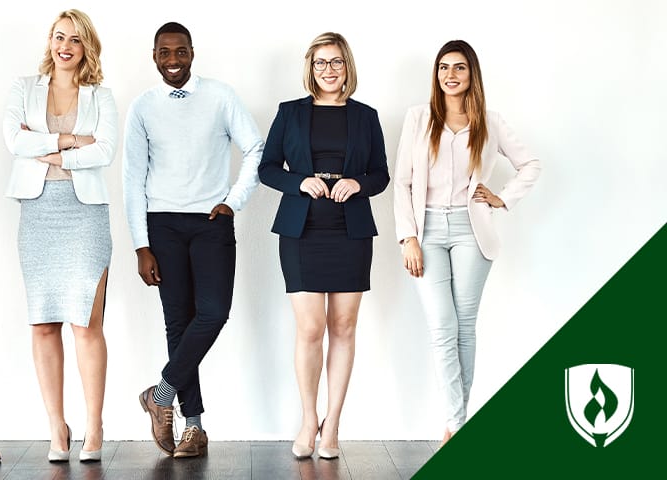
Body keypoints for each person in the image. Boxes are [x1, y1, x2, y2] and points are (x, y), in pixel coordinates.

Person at [122, 21, 264, 459]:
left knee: (214, 313)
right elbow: (132, 176)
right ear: (154, 56)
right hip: (162, 224)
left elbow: (255, 147)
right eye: (164, 53)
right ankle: (195, 428)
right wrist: (140, 244)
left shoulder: (220, 96)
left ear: (192, 53)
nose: (172, 61)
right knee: (178, 324)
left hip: (210, 220)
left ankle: (161, 394)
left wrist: (233, 200)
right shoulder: (143, 106)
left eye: (180, 52)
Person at [393, 39, 541, 445]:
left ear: (471, 74)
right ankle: (458, 425)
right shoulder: (418, 117)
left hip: (471, 232)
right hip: (426, 231)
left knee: (464, 327)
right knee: (442, 326)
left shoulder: (490, 121)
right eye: (443, 67)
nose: (450, 75)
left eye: (459, 68)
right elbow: (403, 181)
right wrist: (408, 237)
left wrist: (503, 197)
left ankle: (455, 424)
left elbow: (530, 163)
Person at [258, 32, 389, 460]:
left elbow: (380, 174)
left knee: (344, 328)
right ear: (310, 69)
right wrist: (299, 181)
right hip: (302, 230)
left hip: (350, 232)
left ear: (347, 66)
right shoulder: (290, 113)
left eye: (335, 62)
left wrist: (358, 183)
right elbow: (267, 169)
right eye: (320, 63)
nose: (328, 70)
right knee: (311, 328)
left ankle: (333, 423)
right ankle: (308, 418)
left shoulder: (366, 116)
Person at [2, 9, 116, 463]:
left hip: (85, 214)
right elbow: (14, 140)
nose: (64, 45)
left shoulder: (101, 96)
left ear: (87, 47)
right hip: (38, 212)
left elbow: (105, 150)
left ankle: (94, 425)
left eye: (75, 39)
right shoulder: (22, 88)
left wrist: (47, 149)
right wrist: (72, 142)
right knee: (43, 322)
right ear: (50, 42)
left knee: (86, 324)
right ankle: (56, 426)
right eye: (58, 36)